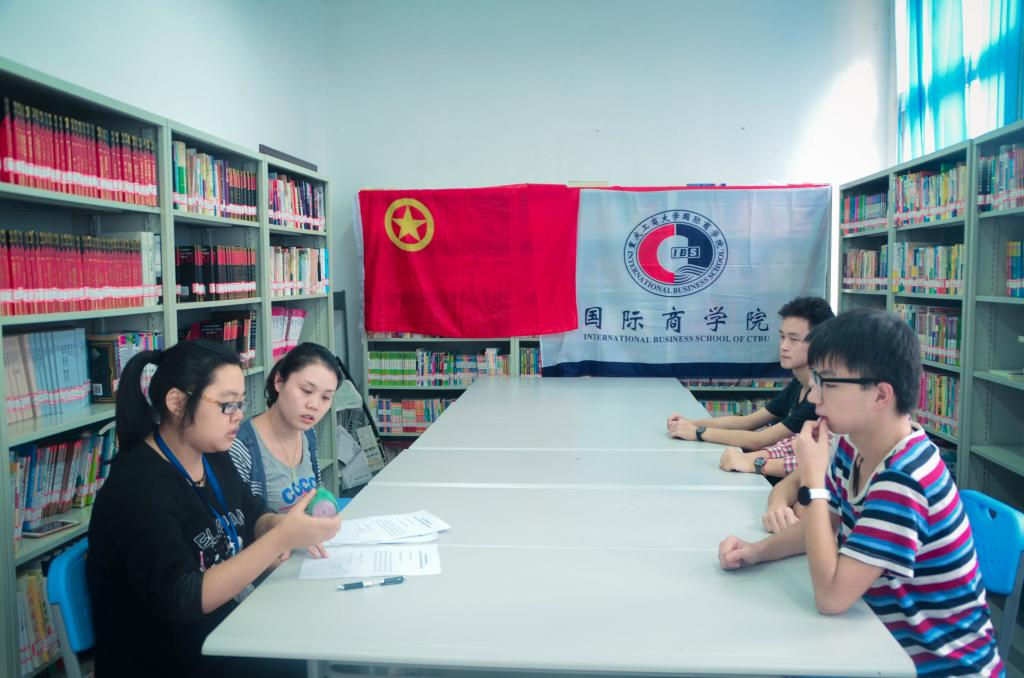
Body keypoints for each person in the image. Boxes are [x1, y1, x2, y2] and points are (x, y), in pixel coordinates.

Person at [718, 309, 1003, 676]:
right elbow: (827, 524)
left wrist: (813, 481)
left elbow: (831, 597)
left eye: (828, 383)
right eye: (815, 380)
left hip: (936, 666)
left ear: (881, 394)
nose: (815, 396)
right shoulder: (852, 445)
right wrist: (757, 551)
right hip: (877, 642)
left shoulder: (905, 479)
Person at [87, 340, 341, 678]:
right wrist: (280, 540)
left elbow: (252, 513)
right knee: (309, 658)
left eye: (240, 403)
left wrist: (280, 526)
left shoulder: (212, 455)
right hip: (168, 658)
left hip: (225, 629)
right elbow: (184, 596)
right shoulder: (137, 486)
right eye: (226, 405)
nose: (238, 416)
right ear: (177, 402)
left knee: (322, 631)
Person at [667, 297, 834, 457]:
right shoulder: (798, 383)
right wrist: (691, 423)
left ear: (819, 343)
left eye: (794, 339)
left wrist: (697, 432)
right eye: (782, 337)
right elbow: (748, 422)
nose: (784, 346)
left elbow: (759, 440)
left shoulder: (818, 398)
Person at [229, 342, 341, 513]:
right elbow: (240, 522)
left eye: (326, 397)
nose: (314, 405)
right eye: (306, 390)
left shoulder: (307, 434)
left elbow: (317, 494)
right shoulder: (241, 447)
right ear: (279, 381)